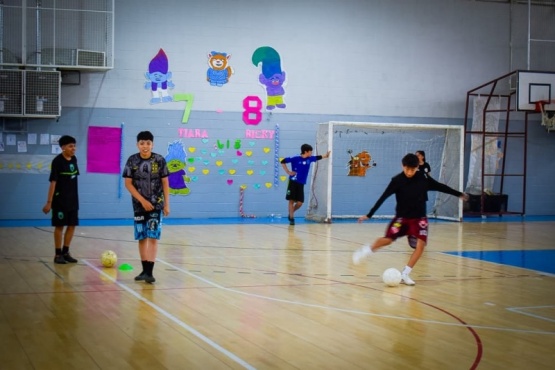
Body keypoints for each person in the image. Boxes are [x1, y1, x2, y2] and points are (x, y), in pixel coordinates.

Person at [352, 153, 468, 286]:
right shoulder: (397, 181)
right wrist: (369, 214)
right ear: (403, 166)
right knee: (388, 240)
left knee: (421, 245)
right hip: (401, 218)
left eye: (412, 170)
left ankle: (405, 274)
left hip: (420, 219)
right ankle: (366, 250)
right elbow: (383, 197)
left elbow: (441, 187)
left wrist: (459, 194)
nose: (409, 172)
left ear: (417, 167)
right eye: (407, 169)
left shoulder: (424, 179)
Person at [122, 131, 170, 284]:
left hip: (156, 205)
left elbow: (165, 183)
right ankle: (144, 270)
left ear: (152, 144)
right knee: (142, 237)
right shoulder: (132, 160)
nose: (145, 146)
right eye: (142, 143)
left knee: (153, 237)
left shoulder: (159, 160)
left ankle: (150, 272)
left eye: (148, 143)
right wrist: (142, 200)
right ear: (137, 144)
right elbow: (128, 183)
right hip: (138, 206)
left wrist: (167, 204)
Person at [42, 135, 80, 264]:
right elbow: (53, 183)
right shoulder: (57, 161)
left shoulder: (74, 159)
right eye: (70, 146)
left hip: (73, 200)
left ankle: (66, 252)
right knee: (59, 227)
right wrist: (49, 202)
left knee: (72, 225)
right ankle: (57, 254)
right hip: (60, 201)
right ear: (63, 147)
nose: (73, 148)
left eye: (74, 145)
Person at [281, 144, 330, 225]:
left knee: (300, 202)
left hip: (301, 183)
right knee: (291, 200)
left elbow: (318, 157)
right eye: (311, 151)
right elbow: (282, 161)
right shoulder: (295, 158)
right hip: (293, 181)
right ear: (306, 151)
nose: (312, 153)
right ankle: (292, 218)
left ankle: (291, 212)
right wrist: (288, 172)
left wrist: (326, 155)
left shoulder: (310, 159)